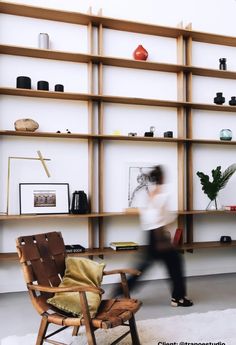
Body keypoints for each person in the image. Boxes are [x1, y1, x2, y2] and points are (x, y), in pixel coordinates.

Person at [113, 165, 193, 307]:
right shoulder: (162, 195)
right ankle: (178, 298)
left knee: (143, 267)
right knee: (175, 264)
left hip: (150, 235)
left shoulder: (148, 194)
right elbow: (160, 218)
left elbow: (148, 217)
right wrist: (163, 236)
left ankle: (119, 291)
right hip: (158, 236)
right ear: (162, 178)